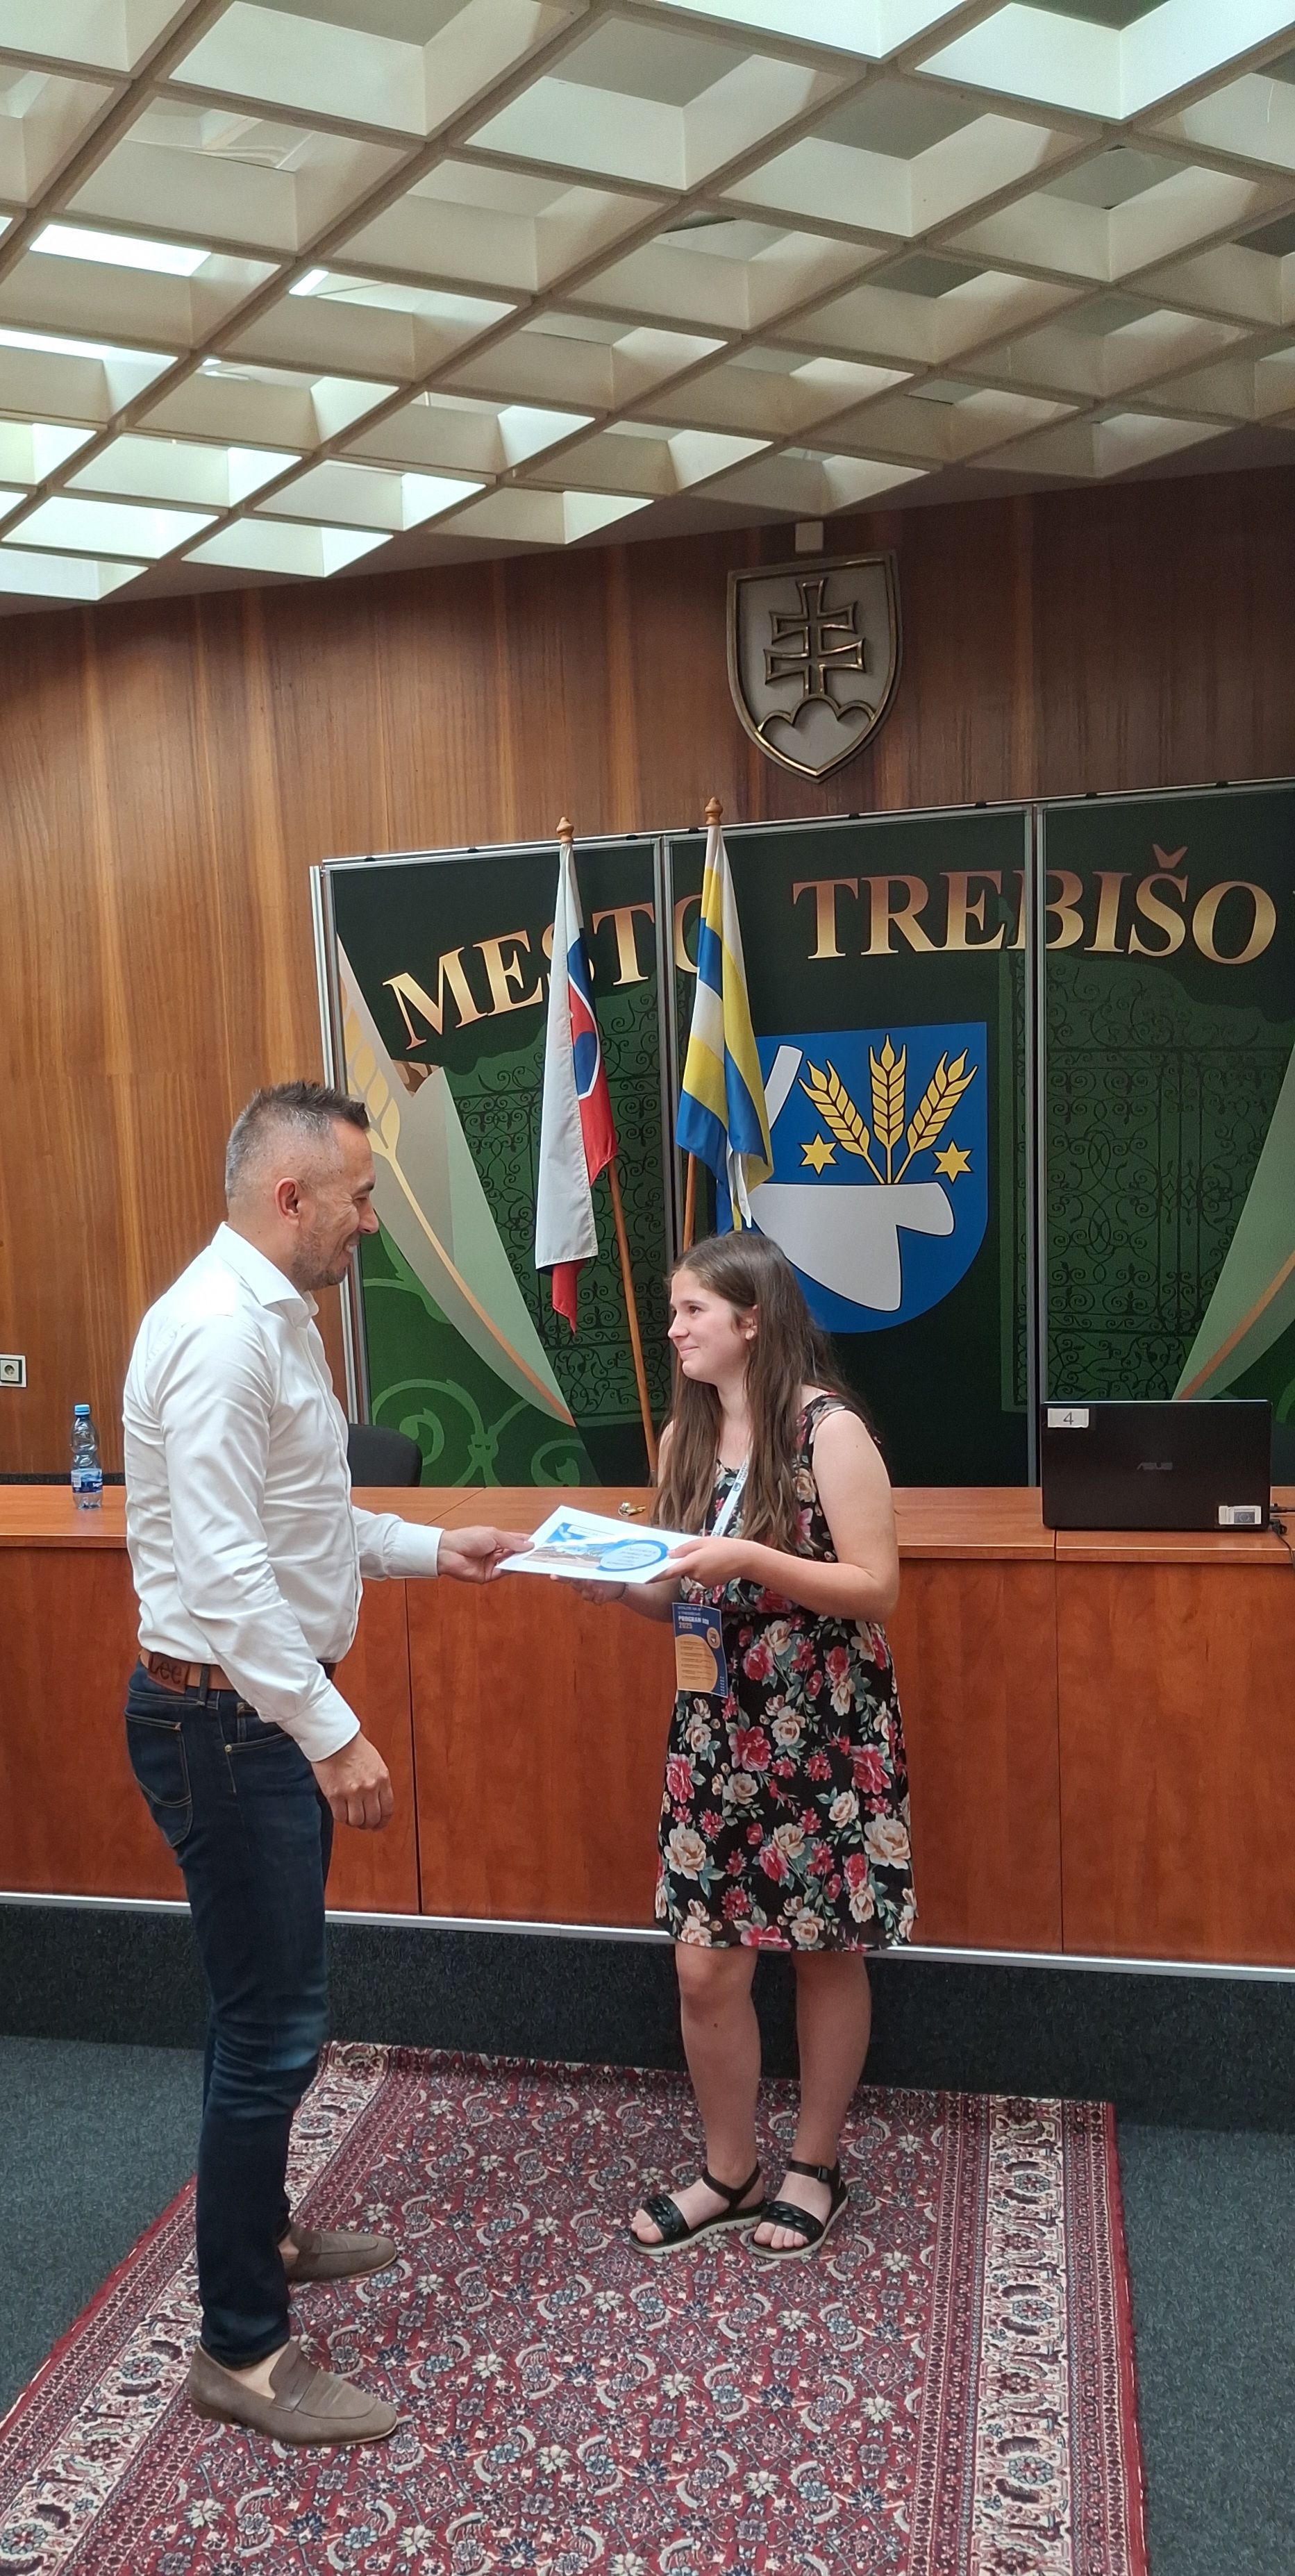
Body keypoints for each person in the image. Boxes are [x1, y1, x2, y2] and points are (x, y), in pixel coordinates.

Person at [122, 1082, 528, 2446]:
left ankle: (267, 2235)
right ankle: (241, 2349)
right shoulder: (218, 1334)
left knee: (264, 2014)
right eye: (357, 1197)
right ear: (289, 1196)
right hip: (226, 1723)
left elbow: (304, 1521)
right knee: (271, 2028)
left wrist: (433, 1548)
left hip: (249, 1715)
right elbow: (227, 1576)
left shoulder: (274, 1317)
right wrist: (332, 1729)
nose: (372, 1220)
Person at [585, 1231, 913, 2261]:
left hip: (821, 1727)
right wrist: (615, 1583)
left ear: (752, 1319)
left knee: (822, 1950)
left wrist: (751, 1557)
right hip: (715, 1732)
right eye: (672, 1310)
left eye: (692, 1311)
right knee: (704, 1967)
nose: (673, 1330)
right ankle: (730, 2170)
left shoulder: (829, 1430)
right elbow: (681, 1594)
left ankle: (814, 2166)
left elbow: (876, 1587)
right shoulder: (683, 1440)